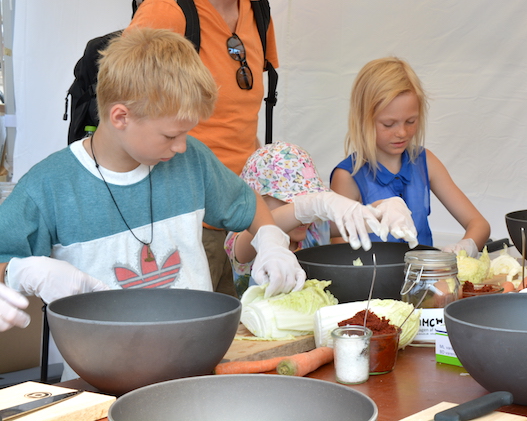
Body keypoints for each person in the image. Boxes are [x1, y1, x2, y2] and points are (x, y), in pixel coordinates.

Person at [0, 28, 382, 331]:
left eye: (187, 134)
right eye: (170, 136)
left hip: (195, 354)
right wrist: (20, 271)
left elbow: (249, 208)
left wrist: (270, 241)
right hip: (100, 370)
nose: (182, 147)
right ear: (120, 117)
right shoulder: (48, 187)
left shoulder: (192, 160)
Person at [127, 0, 299, 297]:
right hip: (184, 226)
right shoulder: (168, 12)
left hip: (242, 220)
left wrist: (265, 216)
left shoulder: (257, 11)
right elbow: (127, 124)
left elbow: (240, 121)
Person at [330, 57, 490, 257]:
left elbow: (479, 224)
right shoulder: (348, 177)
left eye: (411, 121)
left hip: (425, 281)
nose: (402, 133)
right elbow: (338, 252)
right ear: (363, 120)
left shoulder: (425, 162)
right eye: (389, 124)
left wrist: (464, 248)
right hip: (371, 285)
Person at [225, 141, 346, 297]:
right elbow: (266, 226)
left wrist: (380, 210)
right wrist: (305, 207)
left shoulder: (315, 228)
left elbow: (354, 221)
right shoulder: (242, 238)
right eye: (289, 201)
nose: (304, 216)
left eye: (308, 199)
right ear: (258, 202)